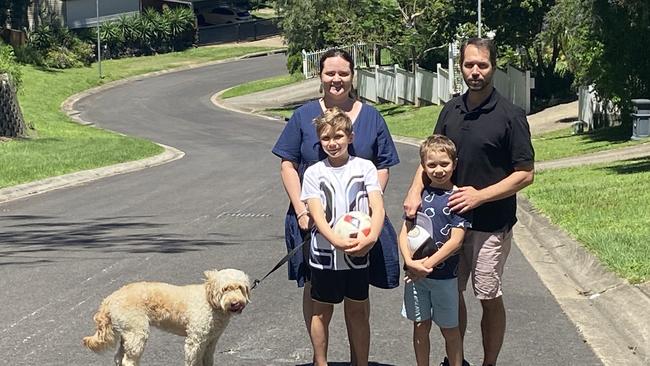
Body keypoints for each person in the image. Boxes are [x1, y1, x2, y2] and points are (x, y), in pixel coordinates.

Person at [403, 38, 535, 366]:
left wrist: (479, 195)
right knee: (452, 292)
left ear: (493, 67)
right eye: (469, 64)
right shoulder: (451, 110)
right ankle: (456, 360)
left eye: (482, 65)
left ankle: (489, 362)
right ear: (460, 66)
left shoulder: (511, 115)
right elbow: (431, 156)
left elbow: (525, 173)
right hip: (447, 226)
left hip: (490, 224)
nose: (475, 71)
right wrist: (413, 190)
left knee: (487, 295)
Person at [272, 48, 400, 363]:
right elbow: (288, 165)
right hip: (312, 223)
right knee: (317, 291)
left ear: (352, 75)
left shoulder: (371, 116)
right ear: (320, 76)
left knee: (358, 296)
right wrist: (303, 212)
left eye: (343, 73)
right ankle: (321, 359)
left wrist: (367, 214)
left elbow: (382, 165)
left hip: (361, 222)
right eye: (330, 73)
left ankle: (361, 359)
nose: (336, 79)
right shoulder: (303, 116)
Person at [300, 107, 385, 366]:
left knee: (358, 312)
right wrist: (334, 240)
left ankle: (361, 362)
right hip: (325, 255)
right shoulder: (314, 173)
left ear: (350, 137)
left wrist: (371, 239)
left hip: (358, 254)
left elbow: (378, 207)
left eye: (338, 136)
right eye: (326, 138)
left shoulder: (365, 168)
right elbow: (316, 214)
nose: (332, 143)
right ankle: (321, 362)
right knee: (321, 312)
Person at [399, 135, 470, 366]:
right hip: (415, 277)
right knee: (420, 326)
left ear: (454, 164)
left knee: (450, 329)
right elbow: (405, 231)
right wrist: (410, 262)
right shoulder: (419, 197)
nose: (438, 170)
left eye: (444, 164)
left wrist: (426, 265)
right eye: (431, 165)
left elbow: (455, 242)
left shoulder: (458, 198)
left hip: (444, 278)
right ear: (423, 166)